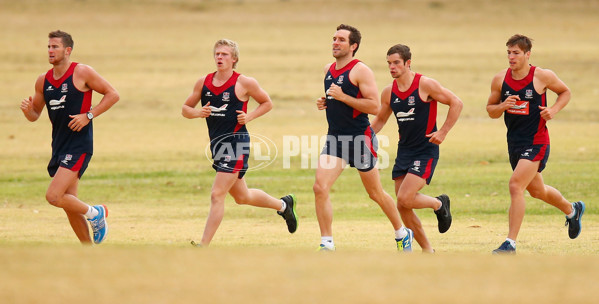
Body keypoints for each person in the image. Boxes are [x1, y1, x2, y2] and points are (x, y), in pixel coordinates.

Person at [182, 39, 298, 247]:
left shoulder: (245, 83)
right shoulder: (204, 82)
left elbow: (267, 103)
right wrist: (198, 113)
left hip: (236, 143)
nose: (219, 57)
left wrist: (249, 116)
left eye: (225, 54)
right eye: (217, 54)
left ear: (234, 59)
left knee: (217, 194)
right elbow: (185, 109)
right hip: (217, 145)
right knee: (242, 197)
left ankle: (203, 246)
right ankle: (283, 205)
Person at [314, 24, 413, 252]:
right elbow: (339, 98)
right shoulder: (329, 69)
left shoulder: (361, 71)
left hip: (360, 139)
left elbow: (374, 106)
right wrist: (327, 102)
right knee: (320, 187)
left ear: (353, 46)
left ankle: (401, 232)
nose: (335, 43)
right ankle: (326, 243)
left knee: (375, 193)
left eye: (341, 40)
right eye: (334, 38)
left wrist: (343, 97)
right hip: (335, 139)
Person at [486, 34, 585, 254]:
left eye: (516, 53)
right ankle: (572, 210)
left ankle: (510, 243)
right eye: (509, 53)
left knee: (515, 185)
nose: (511, 57)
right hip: (514, 143)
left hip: (537, 140)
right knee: (537, 191)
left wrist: (553, 110)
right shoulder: (500, 79)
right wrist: (503, 105)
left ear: (527, 54)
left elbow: (565, 92)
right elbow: (491, 111)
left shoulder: (542, 76)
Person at [20, 30, 119, 244]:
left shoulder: (82, 72)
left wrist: (89, 115)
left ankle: (96, 213)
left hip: (79, 145)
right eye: (48, 47)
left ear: (68, 50)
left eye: (55, 47)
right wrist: (28, 112)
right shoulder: (42, 80)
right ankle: (87, 251)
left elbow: (113, 94)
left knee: (54, 197)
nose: (50, 50)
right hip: (59, 146)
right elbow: (35, 114)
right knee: (69, 204)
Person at [371, 44, 462, 253]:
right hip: (404, 151)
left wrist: (443, 132)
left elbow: (456, 103)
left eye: (396, 63)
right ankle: (428, 251)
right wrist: (362, 137)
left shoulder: (425, 84)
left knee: (404, 198)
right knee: (403, 206)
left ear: (408, 63)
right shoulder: (389, 92)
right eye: (389, 63)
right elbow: (380, 120)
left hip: (425, 150)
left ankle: (439, 204)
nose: (391, 67)